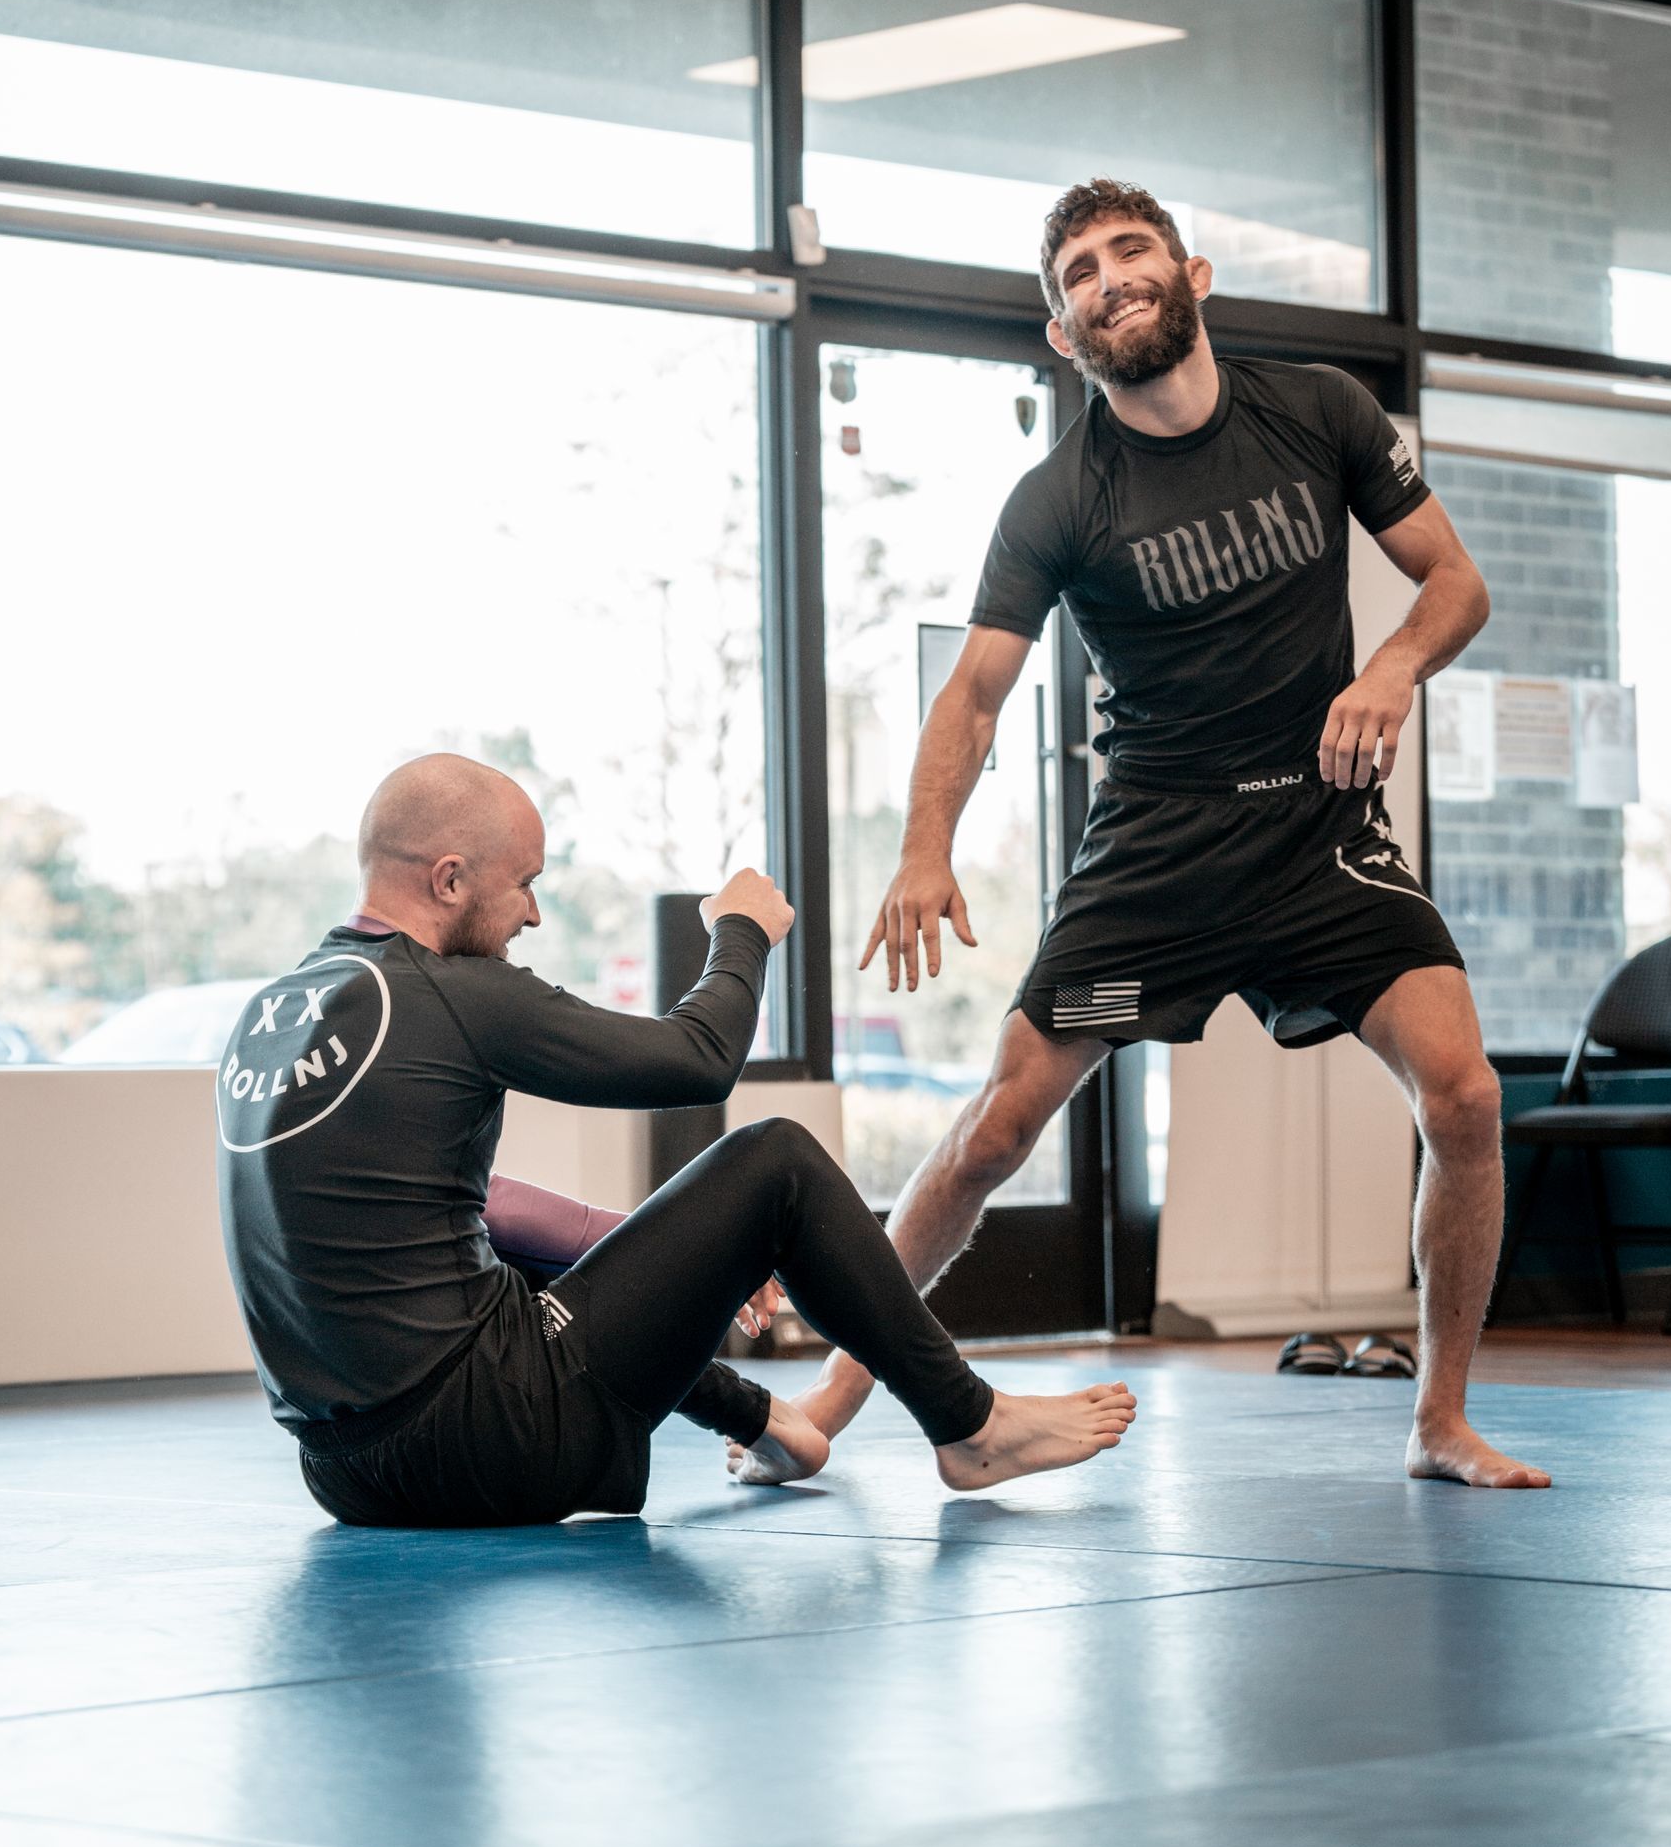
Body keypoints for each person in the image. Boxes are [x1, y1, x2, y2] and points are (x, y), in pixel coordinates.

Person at [787, 177, 1548, 1493]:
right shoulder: (1058, 498)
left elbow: (1456, 582)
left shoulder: (1320, 411)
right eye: (1077, 272)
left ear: (1193, 276)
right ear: (1060, 334)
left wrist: (1389, 673)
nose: (1108, 277)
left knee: (1467, 1094)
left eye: (1130, 251)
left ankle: (1441, 1423)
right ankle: (827, 1405)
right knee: (992, 1135)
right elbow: (974, 693)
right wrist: (924, 852)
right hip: (1155, 854)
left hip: (1320, 839)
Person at [216, 752, 1136, 1528]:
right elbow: (698, 1060)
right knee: (775, 1159)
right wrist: (741, 928)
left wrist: (670, 1251)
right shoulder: (451, 991)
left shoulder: (277, 1013)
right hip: (490, 1447)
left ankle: (777, 1422)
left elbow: (465, 1209)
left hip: (348, 1477)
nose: (531, 916)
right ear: (449, 880)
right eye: (524, 886)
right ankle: (970, 1428)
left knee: (502, 1288)